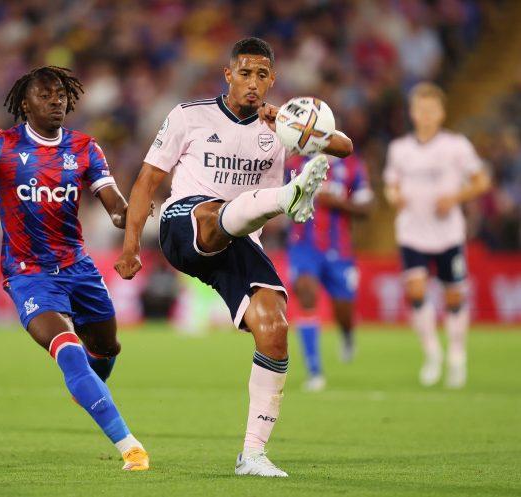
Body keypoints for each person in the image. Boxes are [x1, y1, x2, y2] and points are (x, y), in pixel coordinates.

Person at [115, 37, 353, 477]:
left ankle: (253, 455)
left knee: (275, 328)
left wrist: (284, 119)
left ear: (272, 81)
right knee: (212, 214)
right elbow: (147, 181)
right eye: (245, 72)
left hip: (241, 239)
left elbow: (343, 147)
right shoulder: (188, 116)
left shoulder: (281, 127)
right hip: (184, 225)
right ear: (228, 75)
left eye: (262, 75)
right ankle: (287, 197)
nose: (253, 82)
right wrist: (131, 248)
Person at [0, 66, 149, 471]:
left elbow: (113, 203)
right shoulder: (0, 145)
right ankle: (130, 446)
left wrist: (127, 222)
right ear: (25, 104)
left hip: (79, 268)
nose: (56, 100)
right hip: (28, 274)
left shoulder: (84, 147)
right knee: (69, 352)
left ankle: (88, 389)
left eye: (61, 94)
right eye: (46, 95)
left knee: (107, 348)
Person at [384, 82, 490, 388]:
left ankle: (457, 354)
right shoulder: (399, 149)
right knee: (416, 291)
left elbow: (481, 181)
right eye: (421, 109)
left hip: (447, 233)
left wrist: (455, 198)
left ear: (441, 113)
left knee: (454, 297)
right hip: (412, 232)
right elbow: (391, 186)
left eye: (432, 109)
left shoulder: (456, 146)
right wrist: (395, 197)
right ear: (413, 113)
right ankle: (432, 354)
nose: (426, 115)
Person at [286, 153, 373, 392]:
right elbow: (277, 199)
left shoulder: (352, 166)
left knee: (343, 311)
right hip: (303, 246)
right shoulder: (294, 164)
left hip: (339, 249)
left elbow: (366, 208)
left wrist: (337, 203)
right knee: (305, 294)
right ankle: (314, 371)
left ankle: (347, 334)